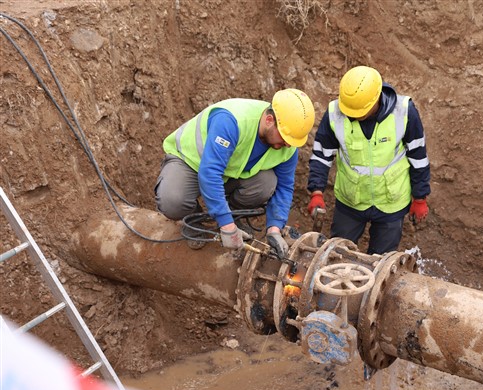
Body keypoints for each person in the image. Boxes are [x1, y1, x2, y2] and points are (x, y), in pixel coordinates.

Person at [155, 89, 315, 258]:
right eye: (284, 138)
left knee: (266, 184)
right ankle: (194, 218)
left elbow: (285, 187)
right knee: (171, 200)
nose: (288, 145)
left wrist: (275, 228)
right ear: (269, 120)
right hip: (190, 162)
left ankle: (232, 215)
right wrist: (226, 225)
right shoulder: (232, 121)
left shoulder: (287, 146)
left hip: (229, 173)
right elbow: (210, 173)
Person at [307, 66, 430, 255]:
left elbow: (418, 156)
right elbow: (322, 155)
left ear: (376, 99)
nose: (354, 115)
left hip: (391, 203)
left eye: (359, 111)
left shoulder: (404, 112)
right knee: (337, 256)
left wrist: (420, 197)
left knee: (380, 262)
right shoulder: (335, 113)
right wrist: (316, 191)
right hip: (351, 201)